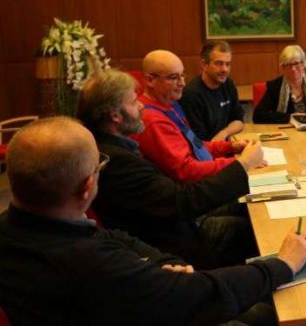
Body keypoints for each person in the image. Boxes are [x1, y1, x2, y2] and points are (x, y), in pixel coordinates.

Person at [0, 116, 306, 326]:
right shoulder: (87, 266)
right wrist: (282, 263)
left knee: (268, 312)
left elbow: (113, 237)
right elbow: (199, 297)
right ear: (88, 186)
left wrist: (162, 263)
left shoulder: (20, 229)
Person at [77, 69, 262, 269]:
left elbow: (194, 145)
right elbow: (181, 200)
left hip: (178, 219)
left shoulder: (121, 143)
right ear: (115, 116)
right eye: (133, 102)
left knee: (251, 205)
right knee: (253, 227)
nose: (141, 106)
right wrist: (241, 166)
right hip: (175, 247)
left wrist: (229, 148)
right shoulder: (118, 162)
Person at [132, 49, 265, 183]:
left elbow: (195, 146)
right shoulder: (153, 120)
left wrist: (231, 147)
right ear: (150, 80)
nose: (182, 83)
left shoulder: (170, 106)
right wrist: (242, 162)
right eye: (173, 77)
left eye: (182, 75)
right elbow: (186, 171)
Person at [180, 41, 245, 141]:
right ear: (204, 64)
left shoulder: (228, 84)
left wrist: (224, 133)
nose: (225, 69)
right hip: (207, 152)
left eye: (228, 64)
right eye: (219, 63)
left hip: (225, 143)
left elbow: (239, 121)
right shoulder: (191, 94)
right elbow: (198, 141)